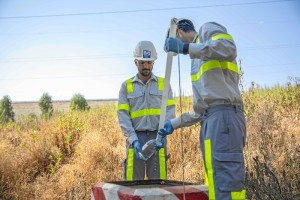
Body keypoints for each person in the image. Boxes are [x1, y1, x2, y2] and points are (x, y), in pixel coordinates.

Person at [159, 18, 247, 200]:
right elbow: (199, 111)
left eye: (177, 43)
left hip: (224, 117)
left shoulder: (207, 30)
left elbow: (228, 48)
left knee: (226, 184)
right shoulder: (196, 61)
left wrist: (185, 49)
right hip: (210, 121)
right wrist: (173, 123)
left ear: (179, 33)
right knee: (215, 180)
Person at [117, 40, 176, 181]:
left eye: (149, 62)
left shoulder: (164, 84)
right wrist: (133, 140)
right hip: (135, 139)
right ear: (135, 62)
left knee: (158, 184)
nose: (146, 66)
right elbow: (123, 116)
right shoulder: (126, 86)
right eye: (142, 62)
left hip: (157, 139)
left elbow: (170, 111)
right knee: (133, 186)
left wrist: (162, 135)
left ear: (154, 62)